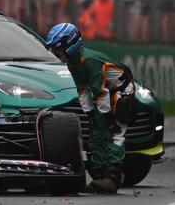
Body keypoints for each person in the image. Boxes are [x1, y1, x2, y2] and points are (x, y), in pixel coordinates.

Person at [44, 23, 136, 194]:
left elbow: (101, 92)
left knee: (114, 132)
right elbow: (83, 90)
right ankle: (100, 178)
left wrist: (105, 115)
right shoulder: (72, 63)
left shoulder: (89, 60)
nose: (56, 53)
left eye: (58, 48)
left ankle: (112, 178)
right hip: (103, 94)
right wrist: (90, 114)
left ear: (70, 44)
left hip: (120, 92)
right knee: (95, 133)